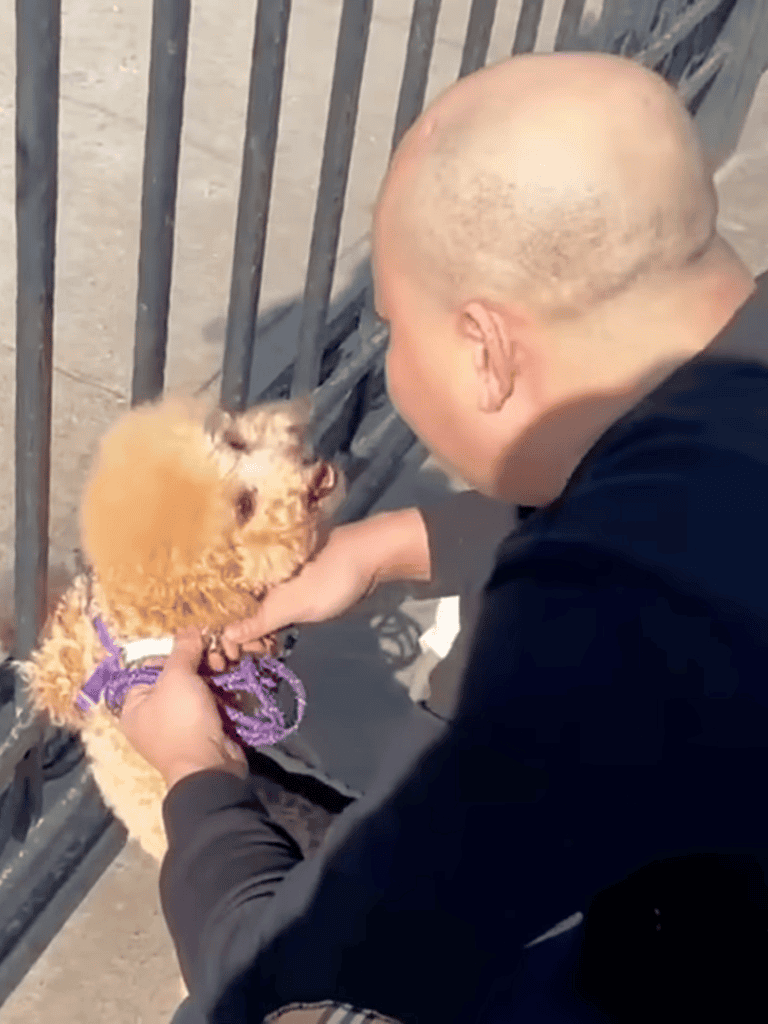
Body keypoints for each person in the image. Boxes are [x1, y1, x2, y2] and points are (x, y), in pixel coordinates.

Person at [118, 49, 768, 1023]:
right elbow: (676, 512)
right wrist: (384, 546)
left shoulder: (589, 626)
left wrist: (193, 773)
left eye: (394, 331)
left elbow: (284, 965)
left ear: (486, 348)